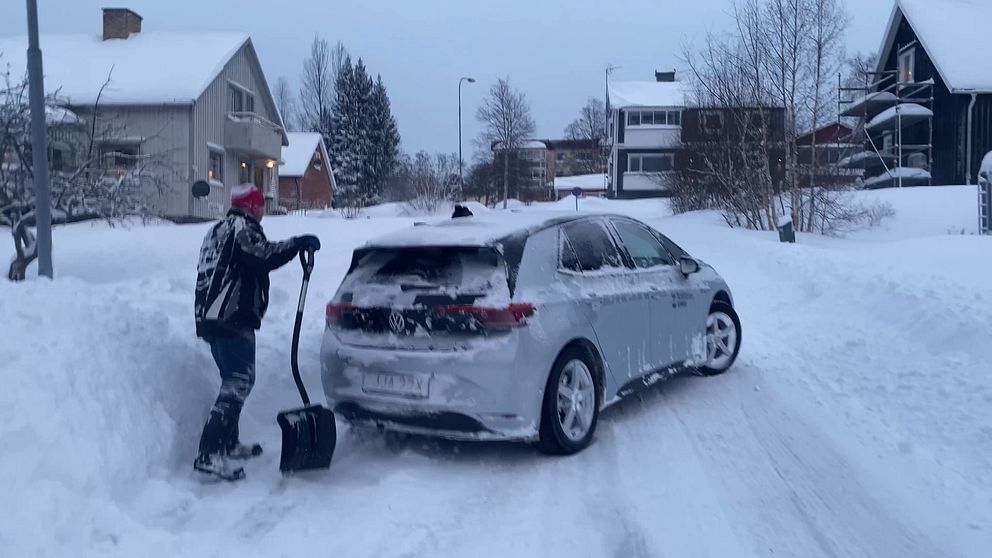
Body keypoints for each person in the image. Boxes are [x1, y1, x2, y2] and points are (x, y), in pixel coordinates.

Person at [192, 183, 320, 480]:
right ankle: (209, 453)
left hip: (214, 317)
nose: (262, 211)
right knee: (238, 381)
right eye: (260, 206)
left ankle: (228, 443)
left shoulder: (220, 229)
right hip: (231, 316)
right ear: (251, 207)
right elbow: (262, 255)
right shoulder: (240, 228)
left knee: (236, 380)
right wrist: (296, 243)